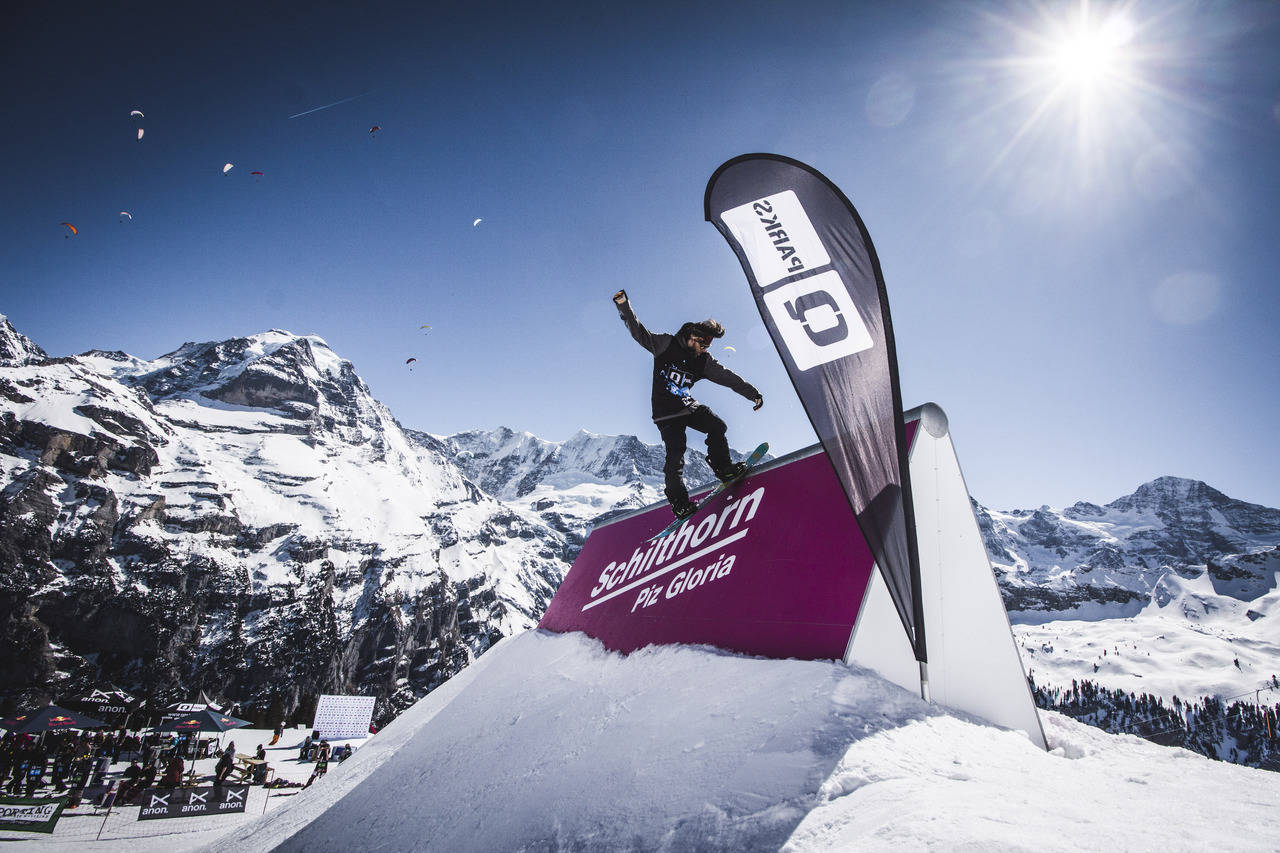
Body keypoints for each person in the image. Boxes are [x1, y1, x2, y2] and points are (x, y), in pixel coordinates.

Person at [612, 289, 763, 519]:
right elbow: (638, 331)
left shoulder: (703, 361)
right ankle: (680, 503)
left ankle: (723, 467)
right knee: (676, 454)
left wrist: (752, 393)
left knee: (717, 425)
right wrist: (624, 306)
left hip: (686, 406)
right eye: (704, 345)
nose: (705, 350)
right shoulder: (665, 344)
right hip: (665, 414)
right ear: (693, 337)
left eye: (708, 347)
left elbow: (727, 377)